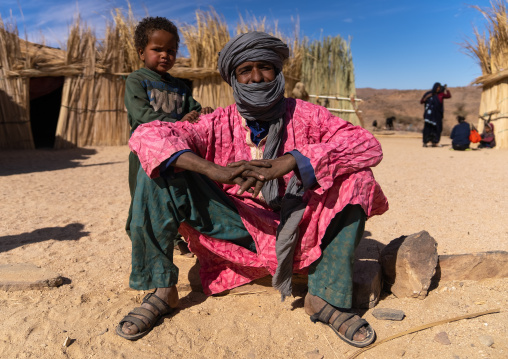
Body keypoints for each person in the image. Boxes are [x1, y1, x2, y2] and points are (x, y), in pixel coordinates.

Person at [117, 31, 389, 348]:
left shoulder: (308, 116)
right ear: (234, 77)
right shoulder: (217, 122)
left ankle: (324, 297)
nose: (256, 77)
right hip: (236, 226)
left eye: (265, 67)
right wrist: (214, 169)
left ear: (277, 71)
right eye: (245, 70)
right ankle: (162, 288)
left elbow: (366, 145)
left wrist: (291, 161)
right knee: (159, 171)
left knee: (359, 179)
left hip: (301, 225)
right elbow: (148, 135)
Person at [125, 16, 213, 256]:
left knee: (174, 192)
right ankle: (139, 236)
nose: (165, 55)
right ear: (142, 52)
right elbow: (142, 114)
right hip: (146, 152)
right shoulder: (136, 80)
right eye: (158, 49)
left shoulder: (180, 87)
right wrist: (177, 122)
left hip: (175, 150)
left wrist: (201, 111)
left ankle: (177, 237)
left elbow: (192, 110)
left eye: (171, 50)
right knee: (143, 194)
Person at [420, 82, 451, 147]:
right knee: (428, 128)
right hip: (429, 115)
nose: (438, 89)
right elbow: (421, 101)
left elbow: (448, 96)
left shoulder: (441, 94)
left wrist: (446, 89)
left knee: (437, 128)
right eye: (437, 88)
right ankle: (425, 142)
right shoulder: (428, 94)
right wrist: (426, 98)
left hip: (437, 115)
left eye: (439, 88)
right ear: (435, 87)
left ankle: (435, 142)